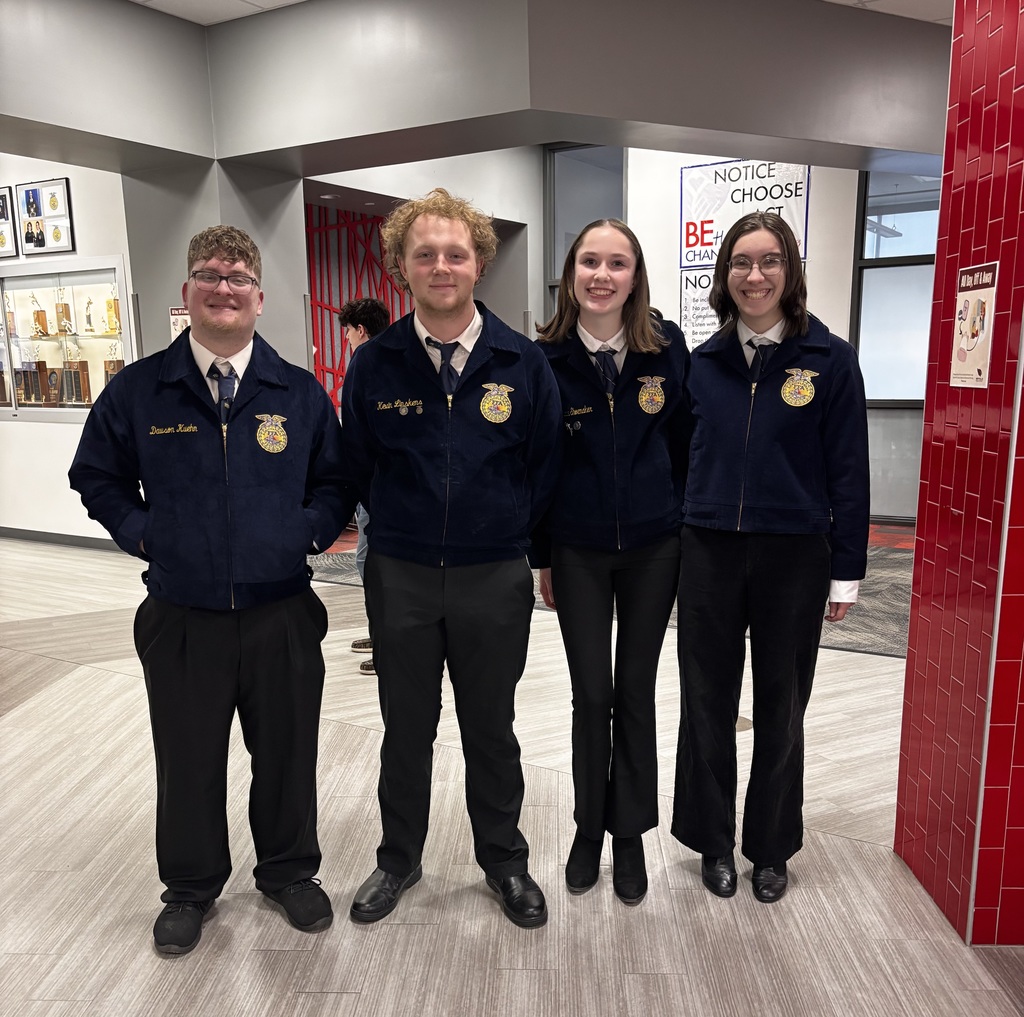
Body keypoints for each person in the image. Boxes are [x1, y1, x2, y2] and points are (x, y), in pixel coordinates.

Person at [69, 225, 349, 955]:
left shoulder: (297, 391)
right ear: (186, 293)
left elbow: (338, 480)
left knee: (286, 752)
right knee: (188, 756)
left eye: (237, 276)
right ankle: (190, 887)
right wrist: (142, 533)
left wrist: (307, 533)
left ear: (259, 297)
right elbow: (93, 474)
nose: (223, 287)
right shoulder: (139, 389)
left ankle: (288, 871)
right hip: (182, 612)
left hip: (282, 608)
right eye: (208, 274)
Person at [342, 188, 561, 928]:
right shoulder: (375, 365)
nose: (441, 264)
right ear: (402, 266)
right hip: (399, 573)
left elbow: (544, 465)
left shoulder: (522, 362)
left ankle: (504, 860)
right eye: (425, 253)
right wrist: (403, 531)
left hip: (491, 576)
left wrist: (504, 538)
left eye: (456, 252)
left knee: (490, 728)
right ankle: (397, 858)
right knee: (406, 726)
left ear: (479, 263)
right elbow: (358, 464)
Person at [672, 211, 869, 904]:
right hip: (709, 549)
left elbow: (849, 469)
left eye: (769, 261)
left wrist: (847, 566)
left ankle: (770, 846)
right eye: (741, 262)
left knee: (781, 704)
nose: (754, 275)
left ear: (790, 272)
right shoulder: (702, 363)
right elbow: (677, 464)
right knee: (706, 700)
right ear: (725, 276)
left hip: (795, 555)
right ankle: (714, 841)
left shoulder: (830, 360)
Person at [533, 219, 691, 906]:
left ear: (635, 274)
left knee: (634, 690)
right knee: (590, 693)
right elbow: (538, 464)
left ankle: (628, 834)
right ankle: (587, 829)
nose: (602, 274)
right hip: (577, 549)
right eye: (590, 261)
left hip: (656, 546)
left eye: (617, 263)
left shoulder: (667, 348)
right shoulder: (545, 357)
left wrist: (681, 521)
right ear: (572, 273)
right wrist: (540, 553)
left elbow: (688, 445)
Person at [337, 297, 391, 676]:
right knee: (367, 560)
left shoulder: (368, 361)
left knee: (372, 563)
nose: (346, 340)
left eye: (347, 332)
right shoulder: (391, 359)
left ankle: (388, 642)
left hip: (374, 486)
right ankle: (381, 633)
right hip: (377, 485)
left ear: (359, 330)